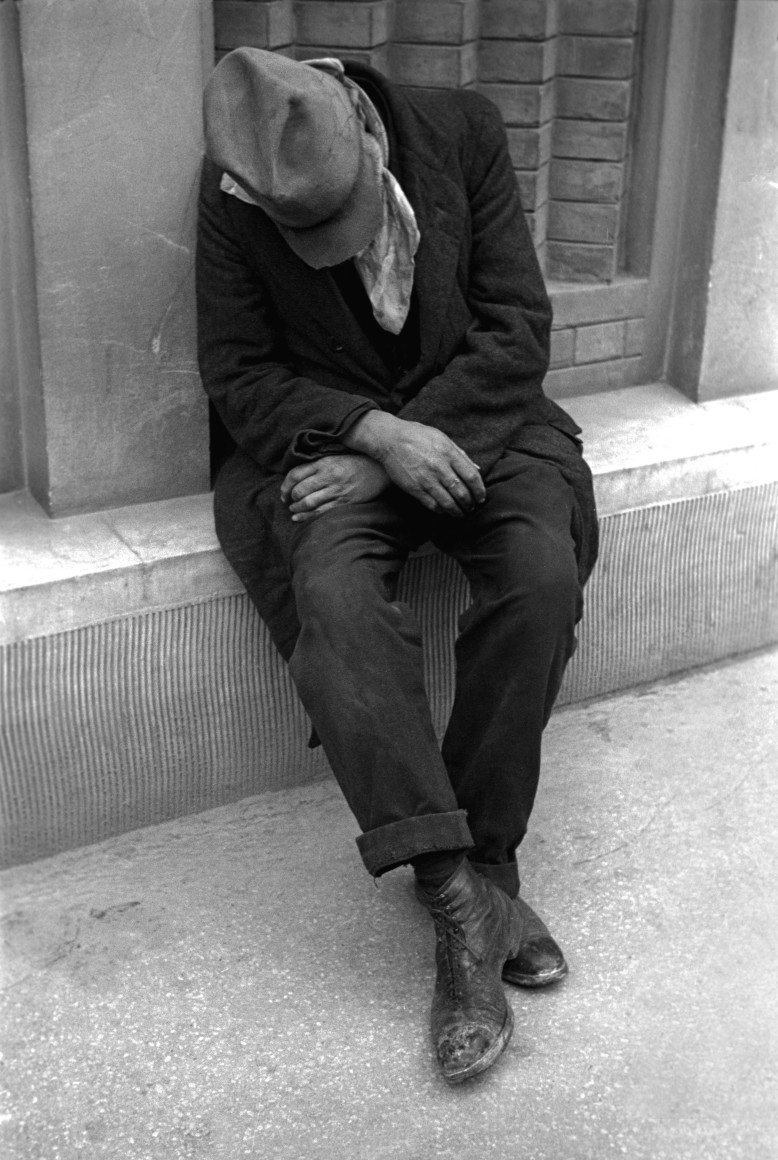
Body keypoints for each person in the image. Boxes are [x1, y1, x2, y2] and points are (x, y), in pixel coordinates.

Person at [196, 48, 598, 1085]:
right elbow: (237, 374)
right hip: (326, 448)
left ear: (369, 137)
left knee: (540, 575)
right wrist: (372, 437)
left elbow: (517, 330)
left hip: (480, 423)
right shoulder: (238, 185)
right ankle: (460, 896)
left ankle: (489, 860)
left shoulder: (461, 131)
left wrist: (403, 451)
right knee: (332, 601)